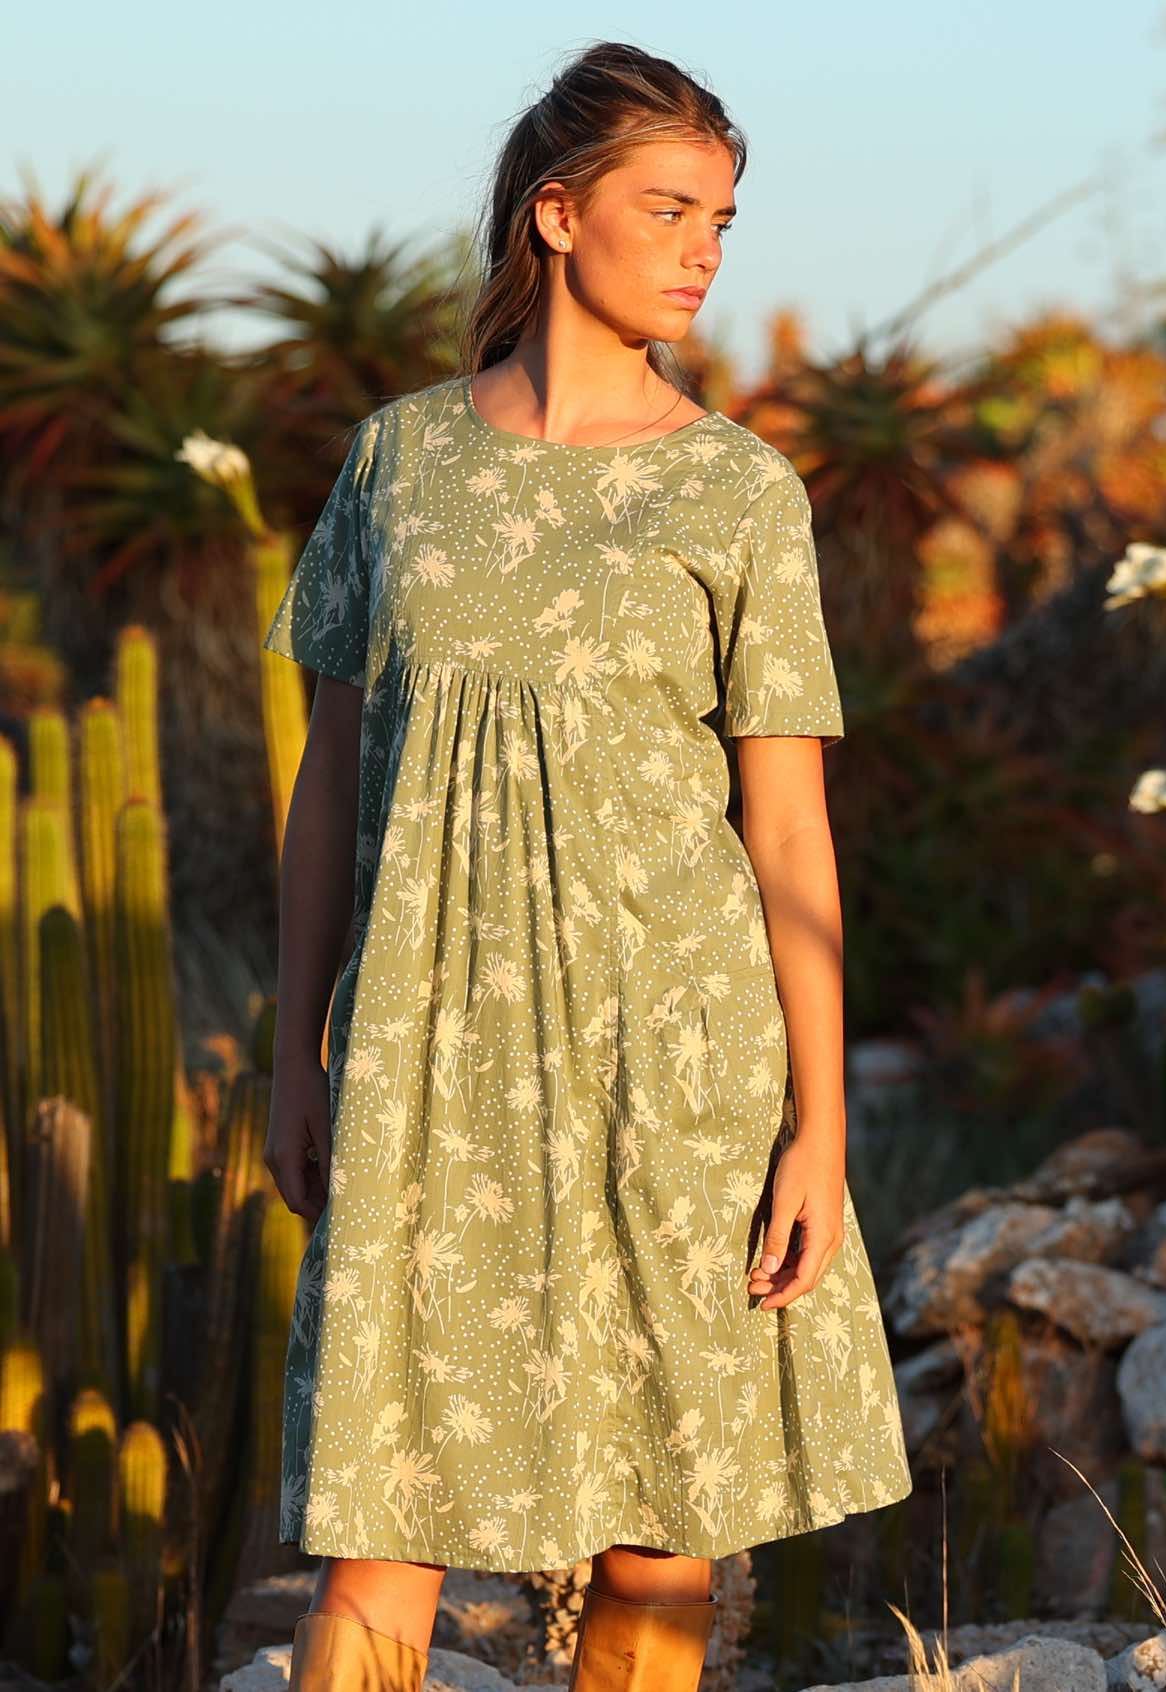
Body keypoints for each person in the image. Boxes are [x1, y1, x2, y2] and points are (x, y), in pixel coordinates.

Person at [263, 39, 912, 1692]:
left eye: (726, 217)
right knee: (374, 1532)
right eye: (670, 206)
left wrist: (818, 1129)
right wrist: (295, 1049)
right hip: (428, 1064)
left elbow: (786, 826)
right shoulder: (399, 463)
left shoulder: (739, 490)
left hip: (678, 1064)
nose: (704, 246)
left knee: (656, 1532)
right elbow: (331, 780)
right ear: (556, 214)